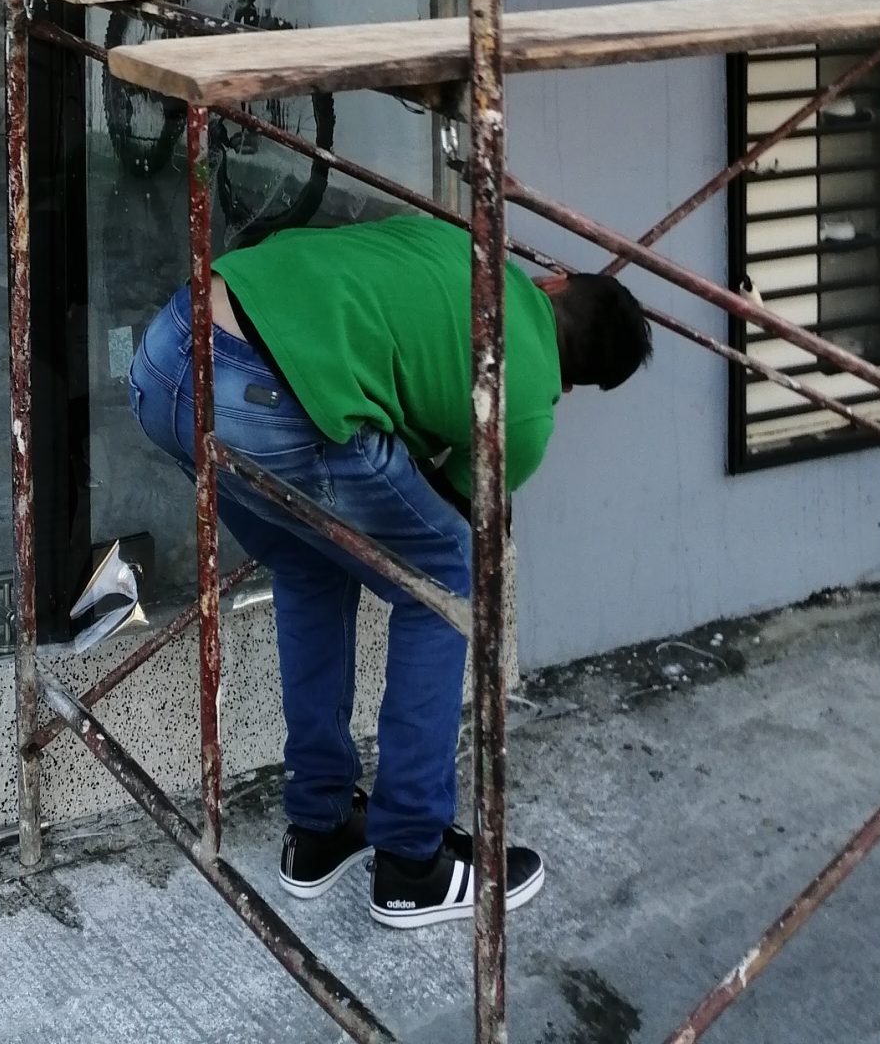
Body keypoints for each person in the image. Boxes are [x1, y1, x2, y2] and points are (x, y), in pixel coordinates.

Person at [127, 212, 651, 928]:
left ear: (554, 282)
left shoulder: (460, 247)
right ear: (581, 380)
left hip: (165, 359)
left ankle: (321, 825)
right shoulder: (527, 414)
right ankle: (411, 859)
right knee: (452, 578)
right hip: (269, 398)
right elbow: (444, 516)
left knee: (313, 560)